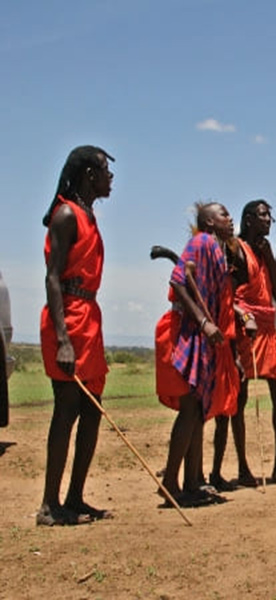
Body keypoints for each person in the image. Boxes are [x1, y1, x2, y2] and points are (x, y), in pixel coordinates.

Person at [37, 145, 115, 526]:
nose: (110, 178)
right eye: (104, 170)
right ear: (88, 174)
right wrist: (64, 339)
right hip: (67, 317)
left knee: (92, 410)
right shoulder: (67, 214)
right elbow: (52, 277)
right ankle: (50, 505)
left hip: (89, 317)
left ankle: (75, 497)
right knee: (66, 409)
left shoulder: (88, 216)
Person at [210, 200, 276, 488]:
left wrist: (268, 258)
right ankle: (243, 467)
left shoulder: (264, 251)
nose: (269, 220)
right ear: (249, 219)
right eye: (264, 215)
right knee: (239, 397)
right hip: (245, 326)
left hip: (268, 327)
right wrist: (242, 318)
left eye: (270, 215)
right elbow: (229, 291)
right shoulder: (235, 248)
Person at [155, 202, 239, 506]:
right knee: (190, 409)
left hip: (205, 336)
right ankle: (169, 484)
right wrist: (204, 323)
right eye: (224, 215)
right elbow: (179, 282)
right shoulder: (201, 242)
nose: (230, 219)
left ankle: (191, 483)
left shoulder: (215, 248)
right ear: (209, 222)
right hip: (190, 333)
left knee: (199, 411)